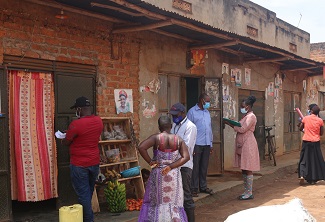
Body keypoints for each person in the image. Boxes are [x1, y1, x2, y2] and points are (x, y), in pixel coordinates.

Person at [138, 116, 190, 222]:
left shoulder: (156, 138)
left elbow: (141, 147)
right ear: (171, 126)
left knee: (158, 203)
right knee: (173, 203)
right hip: (174, 175)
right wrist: (170, 166)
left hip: (159, 175)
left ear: (159, 127)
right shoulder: (178, 139)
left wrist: (151, 162)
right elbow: (186, 157)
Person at [62, 96, 103, 222]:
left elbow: (66, 142)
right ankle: (87, 218)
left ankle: (88, 219)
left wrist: (65, 136)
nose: (76, 112)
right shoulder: (98, 121)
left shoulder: (76, 124)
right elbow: (86, 135)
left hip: (79, 165)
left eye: (76, 109)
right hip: (94, 163)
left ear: (79, 109)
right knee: (88, 192)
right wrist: (70, 132)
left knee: (83, 195)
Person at [224, 95, 260, 200]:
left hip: (248, 144)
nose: (242, 108)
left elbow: (242, 129)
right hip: (243, 144)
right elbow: (240, 126)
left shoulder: (251, 117)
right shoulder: (246, 116)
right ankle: (246, 191)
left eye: (243, 106)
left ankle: (249, 192)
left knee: (247, 168)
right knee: (244, 168)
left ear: (248, 106)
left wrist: (230, 124)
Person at [170, 103, 197, 222]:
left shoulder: (190, 127)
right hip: (174, 165)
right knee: (176, 196)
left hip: (184, 165)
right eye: (172, 115)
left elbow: (186, 147)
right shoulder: (174, 126)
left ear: (183, 113)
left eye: (176, 115)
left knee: (186, 196)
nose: (174, 117)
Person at [187, 93, 213, 197]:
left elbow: (209, 128)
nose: (208, 103)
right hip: (196, 144)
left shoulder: (207, 112)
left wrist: (211, 143)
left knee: (204, 167)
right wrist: (190, 145)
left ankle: (203, 186)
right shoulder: (192, 112)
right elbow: (189, 129)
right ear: (202, 100)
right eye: (207, 101)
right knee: (195, 167)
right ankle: (194, 188)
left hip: (206, 143)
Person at [298, 104, 325, 185]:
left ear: (311, 111)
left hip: (306, 141)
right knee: (315, 160)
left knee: (304, 158)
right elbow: (321, 133)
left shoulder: (305, 118)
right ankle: (313, 179)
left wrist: (303, 127)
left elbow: (300, 128)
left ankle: (302, 174)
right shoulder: (320, 120)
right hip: (316, 142)